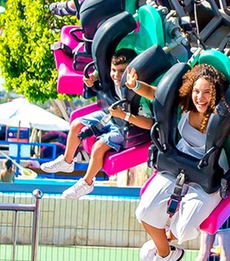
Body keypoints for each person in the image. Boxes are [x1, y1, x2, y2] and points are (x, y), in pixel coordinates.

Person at [130, 63, 230, 261]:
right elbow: (154, 94)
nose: (200, 97)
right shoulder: (185, 105)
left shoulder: (222, 117)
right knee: (144, 211)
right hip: (179, 163)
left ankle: (163, 241)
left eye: (207, 92)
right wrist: (135, 85)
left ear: (215, 94)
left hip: (207, 173)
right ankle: (165, 253)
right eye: (197, 91)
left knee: (185, 229)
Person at [42, 49, 153, 199]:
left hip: (127, 125)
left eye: (121, 71)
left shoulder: (137, 92)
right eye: (114, 70)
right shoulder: (111, 77)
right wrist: (92, 77)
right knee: (76, 124)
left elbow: (149, 124)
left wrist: (124, 115)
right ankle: (67, 161)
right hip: (111, 113)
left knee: (98, 147)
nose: (116, 75)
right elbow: (103, 70)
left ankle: (86, 183)